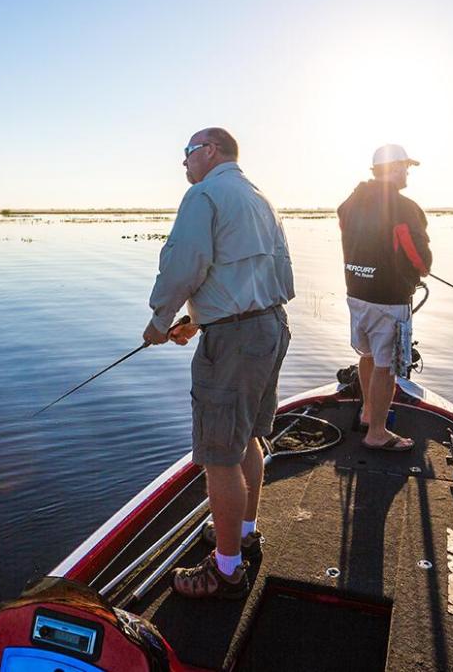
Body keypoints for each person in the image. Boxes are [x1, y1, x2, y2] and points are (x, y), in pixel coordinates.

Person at [143, 127, 294, 600]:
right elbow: (270, 274)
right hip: (269, 327)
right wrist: (200, 318)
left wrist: (160, 319)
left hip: (235, 339)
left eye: (187, 153)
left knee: (218, 454)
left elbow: (185, 265)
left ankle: (227, 569)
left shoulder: (204, 195)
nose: (183, 163)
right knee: (247, 433)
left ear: (209, 151)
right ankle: (244, 533)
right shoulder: (259, 197)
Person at [337, 144, 431, 451]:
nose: (408, 174)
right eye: (405, 167)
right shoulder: (404, 208)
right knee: (386, 366)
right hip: (388, 299)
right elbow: (419, 257)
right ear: (393, 168)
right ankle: (377, 432)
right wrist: (423, 268)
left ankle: (368, 412)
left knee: (366, 355)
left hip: (357, 293)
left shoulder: (351, 202)